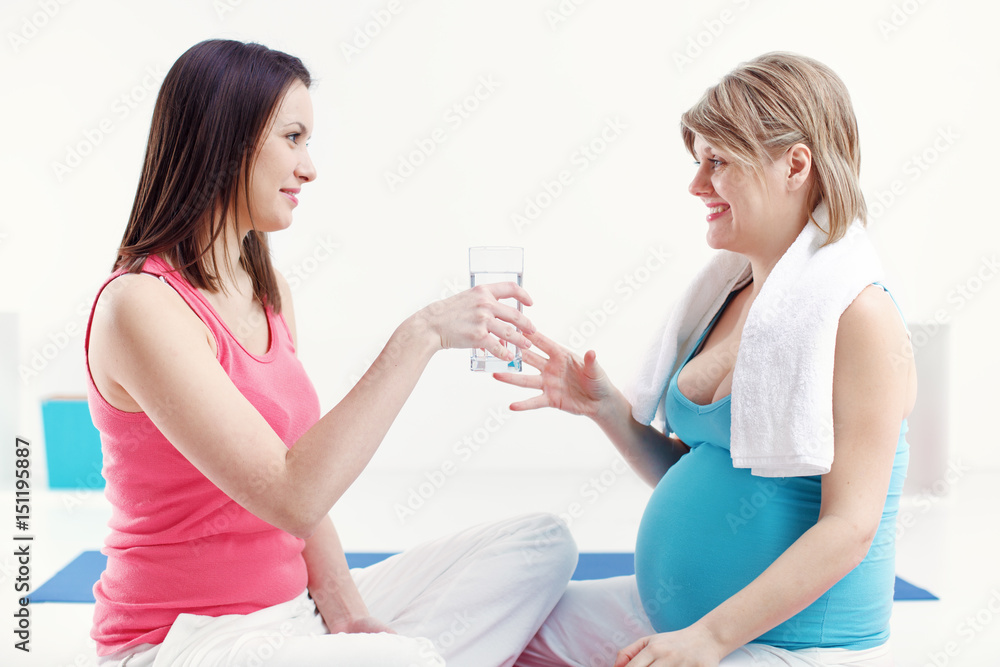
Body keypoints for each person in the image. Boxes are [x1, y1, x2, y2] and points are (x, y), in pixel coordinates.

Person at [85, 39, 577, 667]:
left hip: (295, 617)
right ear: (225, 139)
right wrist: (422, 334)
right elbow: (292, 494)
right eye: (293, 138)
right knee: (407, 661)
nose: (309, 168)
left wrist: (346, 615)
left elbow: (297, 471)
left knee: (543, 545)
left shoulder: (264, 288)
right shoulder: (140, 306)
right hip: (187, 642)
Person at [499, 52, 916, 667]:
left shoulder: (860, 317)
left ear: (795, 165)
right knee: (503, 631)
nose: (696, 186)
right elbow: (705, 470)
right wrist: (606, 408)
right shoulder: (733, 294)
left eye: (717, 162)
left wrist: (710, 639)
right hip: (683, 622)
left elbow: (850, 528)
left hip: (791, 644)